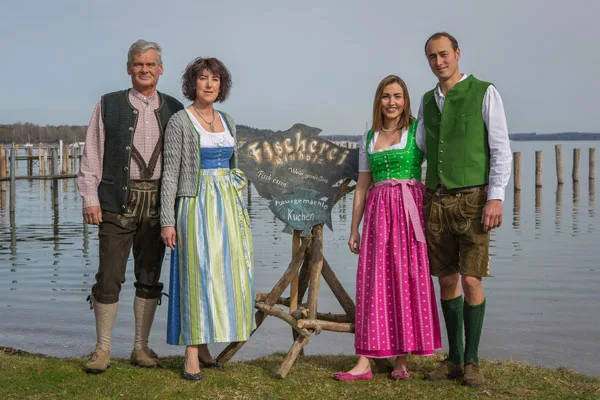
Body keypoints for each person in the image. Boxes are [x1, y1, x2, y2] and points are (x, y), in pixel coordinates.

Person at [78, 39, 184, 374]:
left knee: (150, 277)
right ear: (129, 68)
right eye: (138, 64)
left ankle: (141, 347)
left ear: (160, 69)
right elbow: (92, 152)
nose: (144, 69)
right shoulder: (108, 104)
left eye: (150, 64)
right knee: (109, 276)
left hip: (159, 205)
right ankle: (102, 349)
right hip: (115, 202)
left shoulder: (175, 108)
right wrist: (90, 197)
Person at [418, 32, 512, 387]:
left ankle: (472, 361)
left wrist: (496, 197)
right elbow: (420, 148)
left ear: (457, 54)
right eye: (432, 56)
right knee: (446, 279)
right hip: (436, 199)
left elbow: (500, 147)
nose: (438, 61)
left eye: (444, 54)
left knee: (472, 278)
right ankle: (454, 360)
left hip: (473, 199)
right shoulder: (427, 101)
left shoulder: (484, 92)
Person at [334, 75, 442, 382]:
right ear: (378, 101)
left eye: (397, 96)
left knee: (406, 279)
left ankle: (401, 359)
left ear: (405, 100)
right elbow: (362, 186)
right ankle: (364, 360)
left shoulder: (417, 131)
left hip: (409, 213)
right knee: (374, 281)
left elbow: (439, 161)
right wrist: (354, 229)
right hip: (379, 215)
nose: (392, 102)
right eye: (386, 96)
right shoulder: (368, 137)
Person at [160, 57, 254, 381]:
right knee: (196, 273)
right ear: (193, 83)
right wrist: (167, 220)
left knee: (225, 275)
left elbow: (233, 165)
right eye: (203, 78)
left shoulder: (228, 120)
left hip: (227, 205)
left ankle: (204, 346)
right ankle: (191, 352)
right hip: (195, 202)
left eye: (215, 79)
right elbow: (170, 174)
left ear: (221, 85)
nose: (210, 84)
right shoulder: (179, 121)